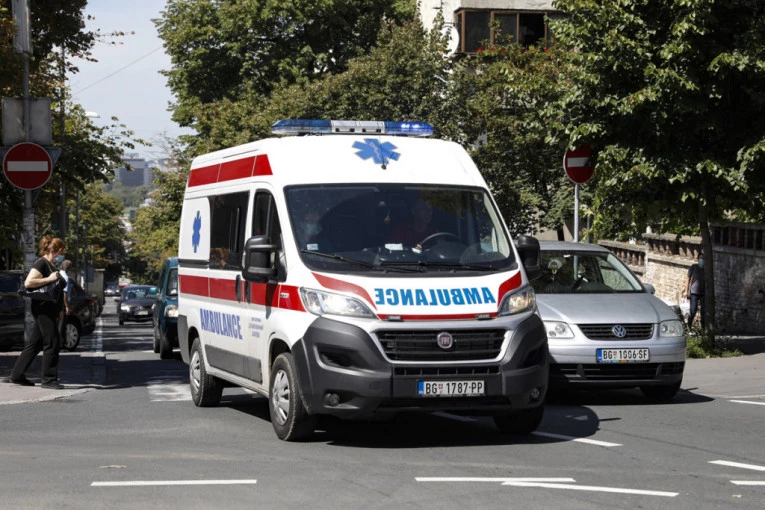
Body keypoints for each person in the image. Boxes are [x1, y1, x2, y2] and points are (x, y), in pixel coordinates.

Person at [3, 237, 67, 389]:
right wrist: (49, 278)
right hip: (42, 308)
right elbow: (29, 282)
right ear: (54, 250)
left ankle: (17, 375)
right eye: (61, 251)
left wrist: (60, 309)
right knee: (52, 342)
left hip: (50, 309)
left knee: (35, 343)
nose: (62, 255)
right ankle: (49, 380)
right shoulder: (41, 263)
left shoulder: (52, 265)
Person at [684, 252, 706, 328]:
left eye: (703, 258)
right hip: (694, 293)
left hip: (703, 293)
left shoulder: (706, 269)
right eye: (701, 258)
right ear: (698, 259)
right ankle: (688, 325)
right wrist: (686, 291)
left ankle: (703, 329)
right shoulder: (694, 267)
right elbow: (688, 279)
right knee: (693, 310)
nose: (702, 260)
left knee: (704, 312)